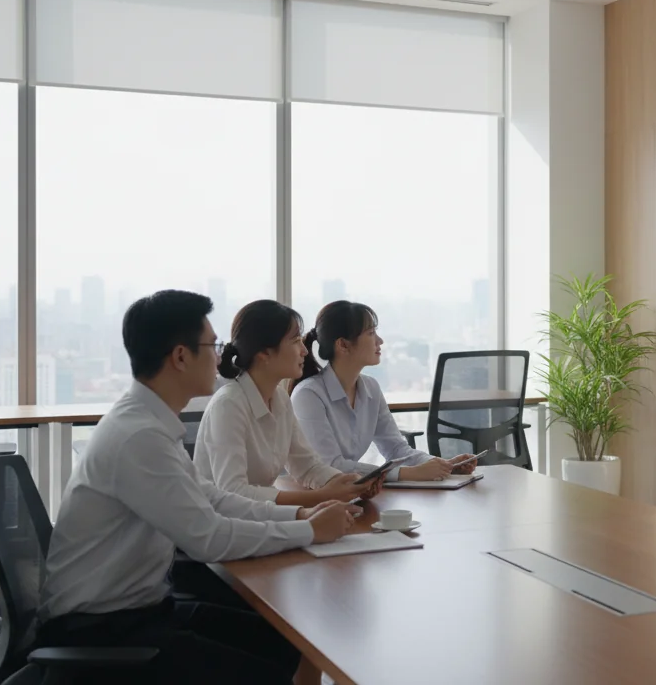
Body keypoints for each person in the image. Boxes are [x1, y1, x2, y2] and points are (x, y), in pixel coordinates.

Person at [39, 290, 358, 685]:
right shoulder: (139, 437)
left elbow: (212, 497)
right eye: (212, 345)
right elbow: (209, 538)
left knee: (288, 642)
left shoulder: (150, 422)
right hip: (101, 629)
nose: (221, 356)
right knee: (268, 670)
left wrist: (299, 514)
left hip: (143, 607)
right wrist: (309, 530)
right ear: (180, 356)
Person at [194, 299, 383, 506]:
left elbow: (307, 466)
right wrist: (320, 497)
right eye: (295, 342)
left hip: (259, 521)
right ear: (264, 352)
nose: (304, 350)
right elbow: (233, 492)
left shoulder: (280, 399)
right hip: (223, 529)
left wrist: (346, 482)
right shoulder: (228, 404)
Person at [290, 300, 479, 483]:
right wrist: (407, 474)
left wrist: (440, 465)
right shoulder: (308, 395)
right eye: (371, 333)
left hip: (353, 493)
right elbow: (331, 466)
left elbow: (396, 449)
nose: (380, 341)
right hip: (314, 497)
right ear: (343, 345)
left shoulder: (371, 387)